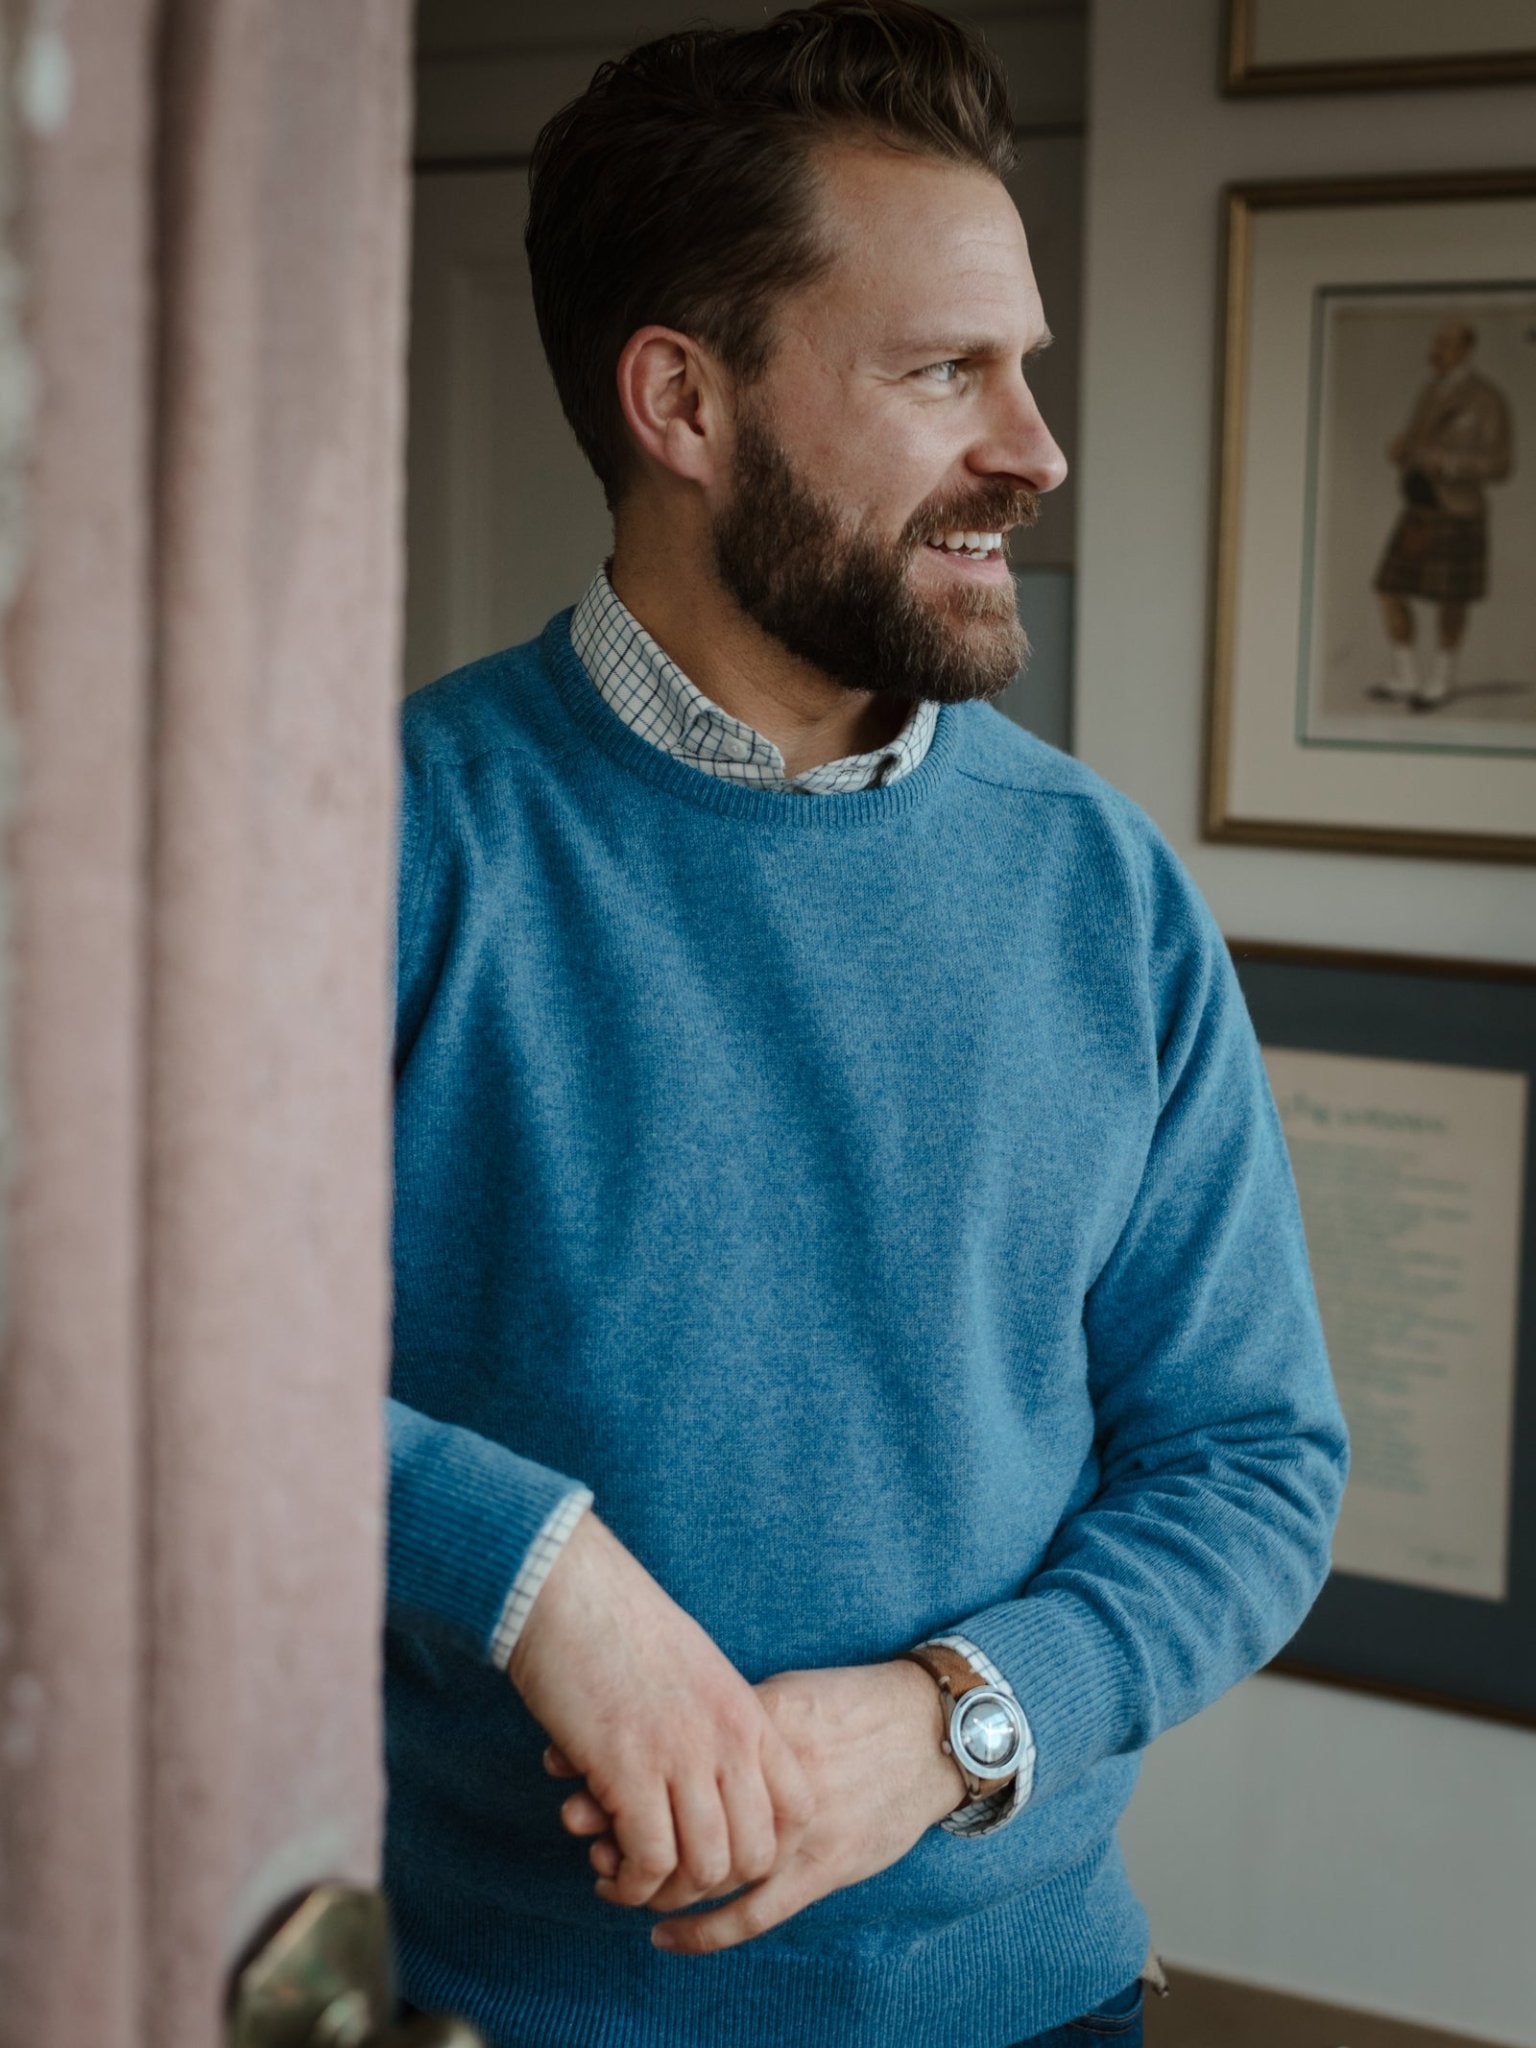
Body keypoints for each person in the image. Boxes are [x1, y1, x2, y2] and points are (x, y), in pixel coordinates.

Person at [384, 6, 1348, 2045]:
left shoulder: (1108, 889)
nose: (1035, 444)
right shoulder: (365, 848)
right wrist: (535, 1568)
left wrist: (957, 1725)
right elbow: (118, 1349)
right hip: (488, 2007)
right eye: (945, 373)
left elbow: (1250, 1462)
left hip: (1036, 2002)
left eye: (1027, 368)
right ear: (685, 403)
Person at [1372, 315, 1513, 710]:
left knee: (1452, 599)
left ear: (1465, 350)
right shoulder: (1429, 391)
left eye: (1443, 346)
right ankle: (1406, 676)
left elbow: (1501, 465)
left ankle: (1442, 678)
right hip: (1420, 507)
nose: (1433, 353)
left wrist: (1450, 465)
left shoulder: (1488, 399)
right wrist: (1403, 452)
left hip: (1458, 512)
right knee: (1388, 589)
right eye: (1434, 345)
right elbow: (1418, 447)